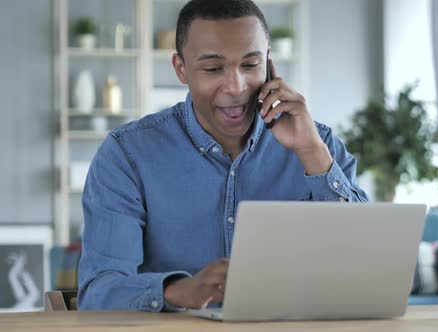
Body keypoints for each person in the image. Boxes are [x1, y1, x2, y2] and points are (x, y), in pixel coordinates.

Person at [78, 0, 368, 312]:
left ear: (269, 63)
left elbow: (366, 264)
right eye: (214, 68)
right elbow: (99, 291)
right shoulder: (127, 154)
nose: (236, 86)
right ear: (181, 69)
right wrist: (180, 290)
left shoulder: (317, 143)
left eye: (250, 65)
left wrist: (312, 153)